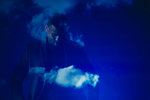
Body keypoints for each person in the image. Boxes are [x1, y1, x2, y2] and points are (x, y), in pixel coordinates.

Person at [10, 14, 98, 100]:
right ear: (47, 28)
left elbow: (93, 78)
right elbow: (15, 81)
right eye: (54, 35)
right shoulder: (32, 50)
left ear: (66, 30)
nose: (58, 39)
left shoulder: (76, 50)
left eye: (62, 35)